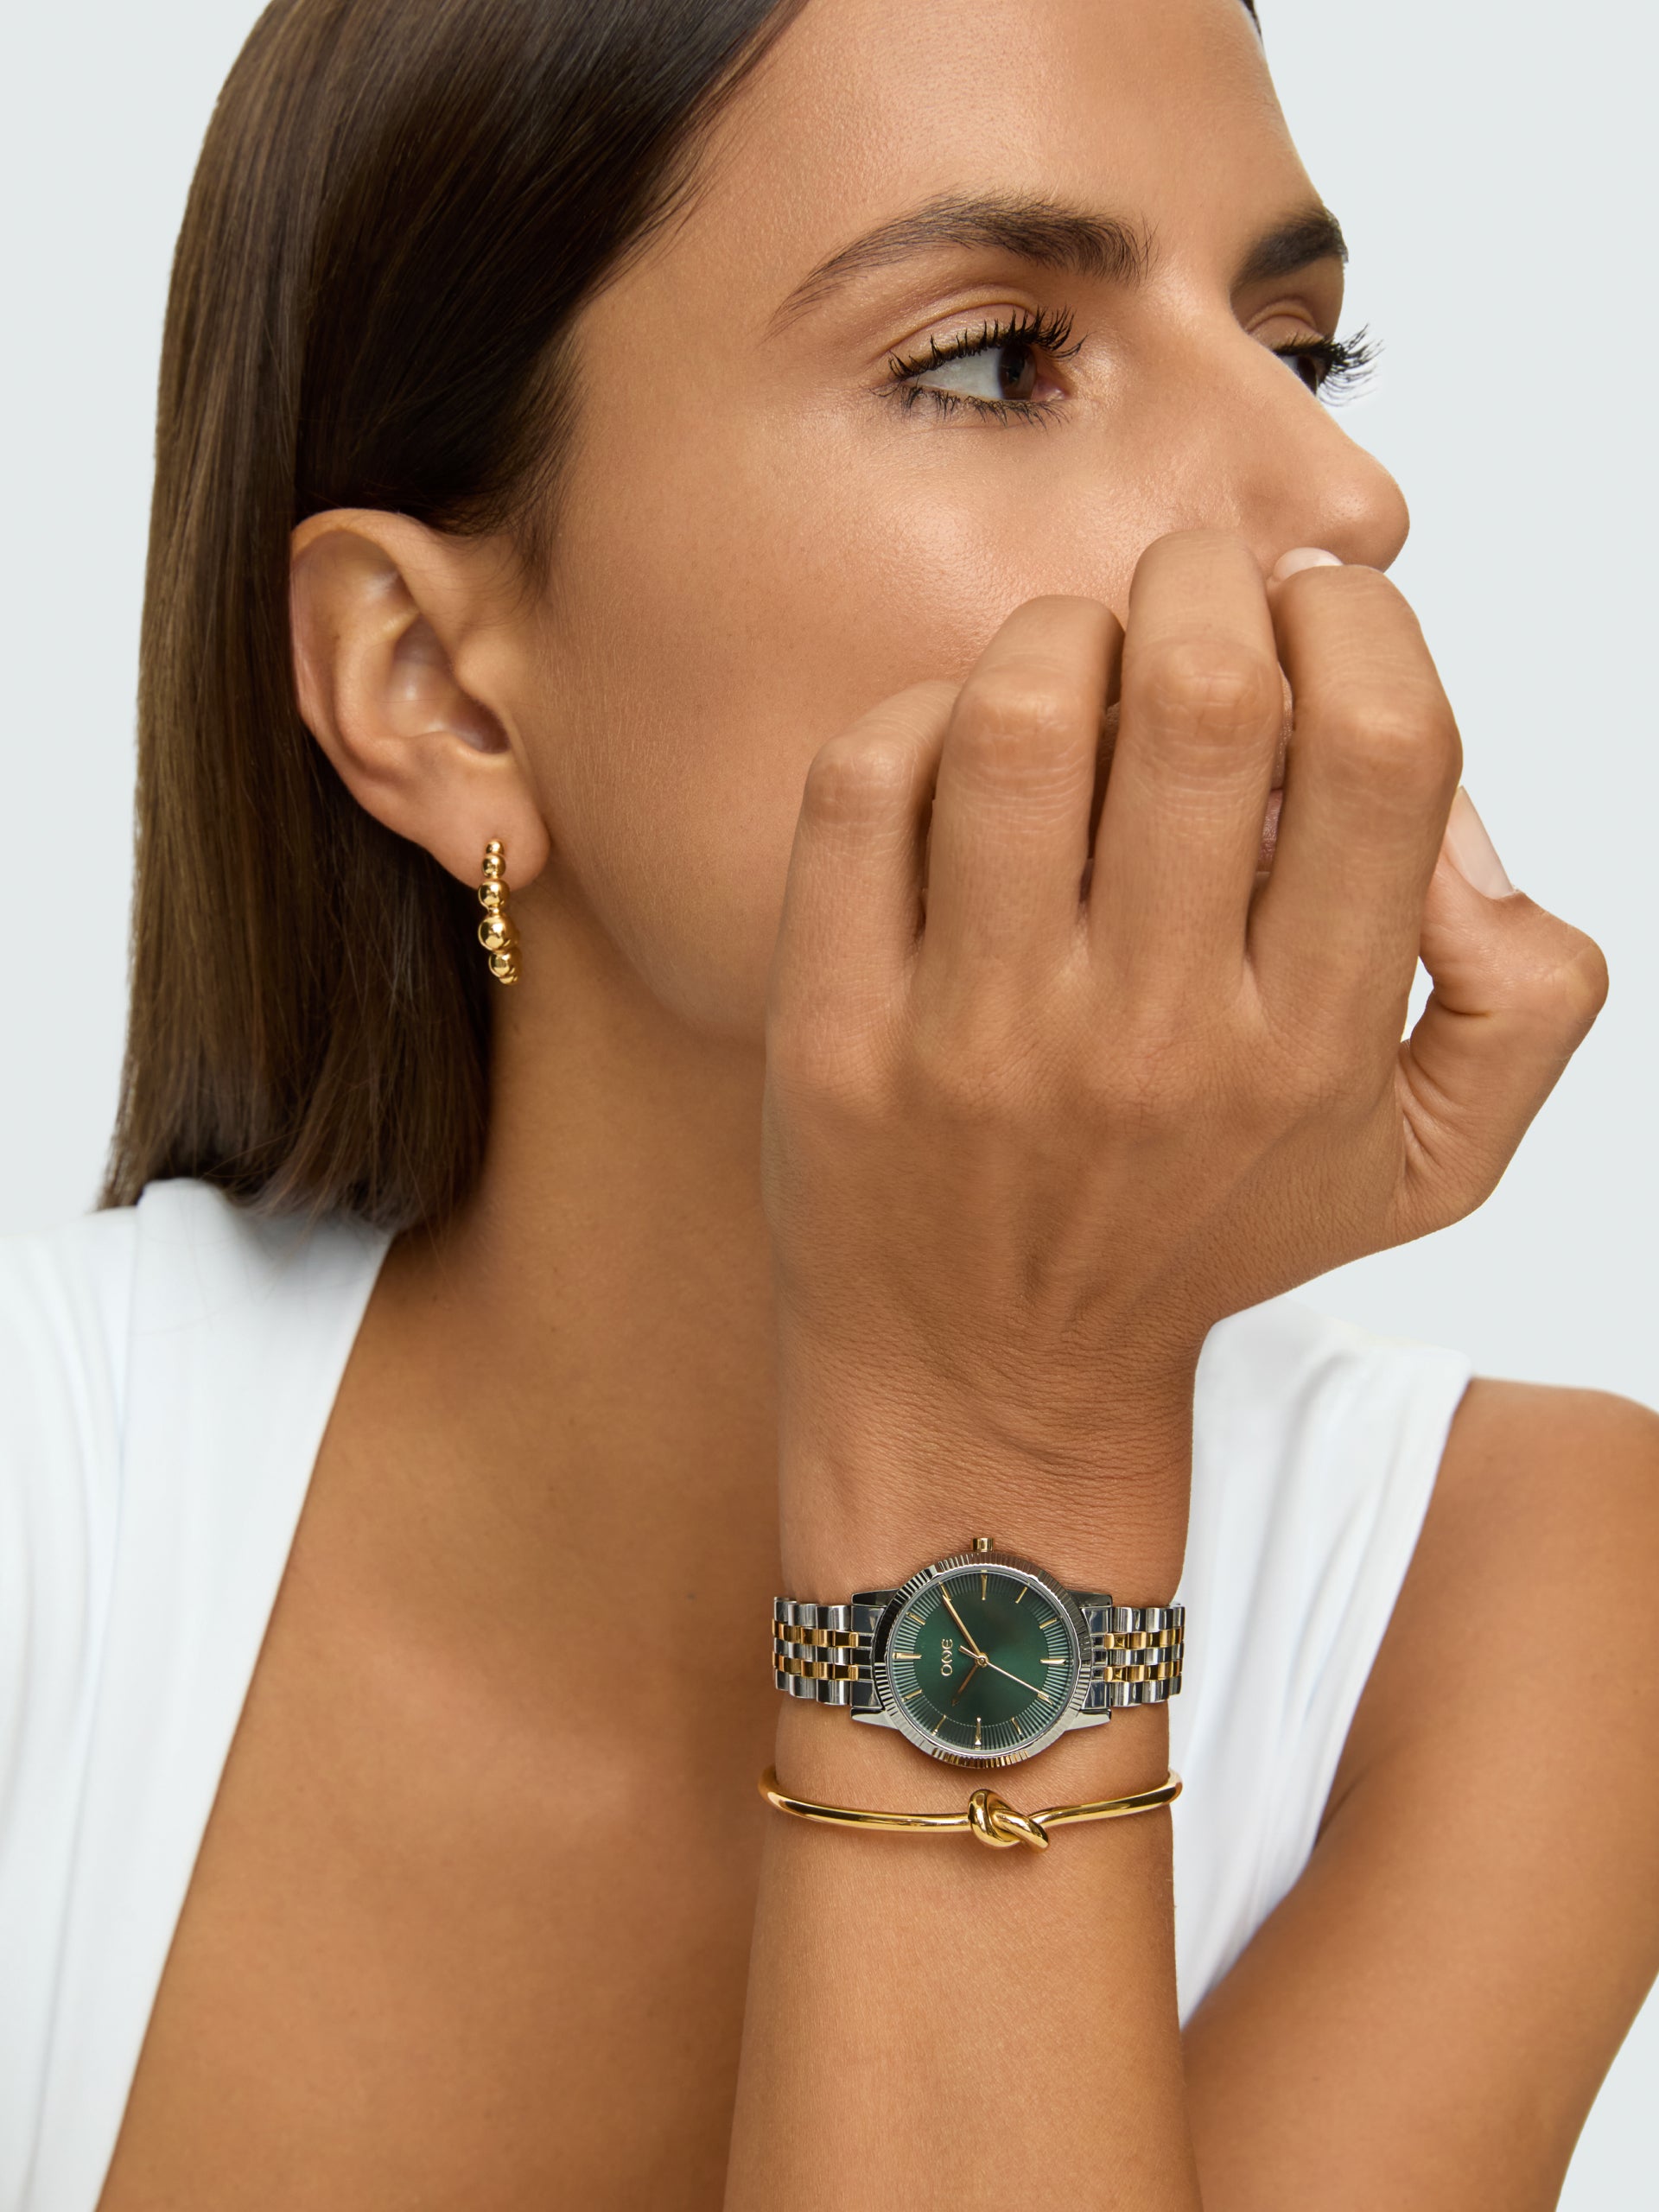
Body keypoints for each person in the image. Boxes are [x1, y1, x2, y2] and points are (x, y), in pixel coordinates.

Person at [3, 0, 1656, 2204]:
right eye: (993, 360)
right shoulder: (49, 1518)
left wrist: (1009, 1428)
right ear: (434, 689)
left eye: (1301, 346)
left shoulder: (1519, 1592)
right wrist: (996, 1406)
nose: (1347, 499)